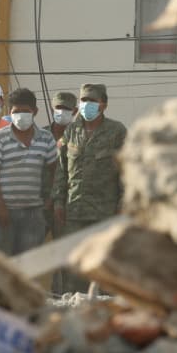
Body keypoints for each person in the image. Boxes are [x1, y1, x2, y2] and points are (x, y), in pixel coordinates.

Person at [53, 83, 127, 293]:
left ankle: (102, 307)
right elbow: (61, 169)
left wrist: (123, 203)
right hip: (74, 211)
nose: (87, 105)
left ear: (103, 105)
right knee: (75, 266)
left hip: (104, 212)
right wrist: (58, 201)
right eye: (84, 100)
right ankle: (76, 306)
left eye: (92, 101)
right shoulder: (71, 131)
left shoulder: (116, 131)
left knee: (103, 266)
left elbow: (126, 170)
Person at [0, 88, 58, 256]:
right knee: (2, 262)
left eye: (25, 111)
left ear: (35, 111)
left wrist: (50, 200)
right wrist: (1, 206)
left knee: (29, 263)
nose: (20, 116)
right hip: (3, 212)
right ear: (9, 112)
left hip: (34, 213)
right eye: (16, 111)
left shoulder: (46, 138)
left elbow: (55, 172)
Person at [43, 91, 79, 237]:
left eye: (66, 108)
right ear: (52, 109)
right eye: (58, 107)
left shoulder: (79, 137)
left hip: (65, 204)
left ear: (75, 111)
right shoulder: (40, 135)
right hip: (41, 202)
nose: (62, 112)